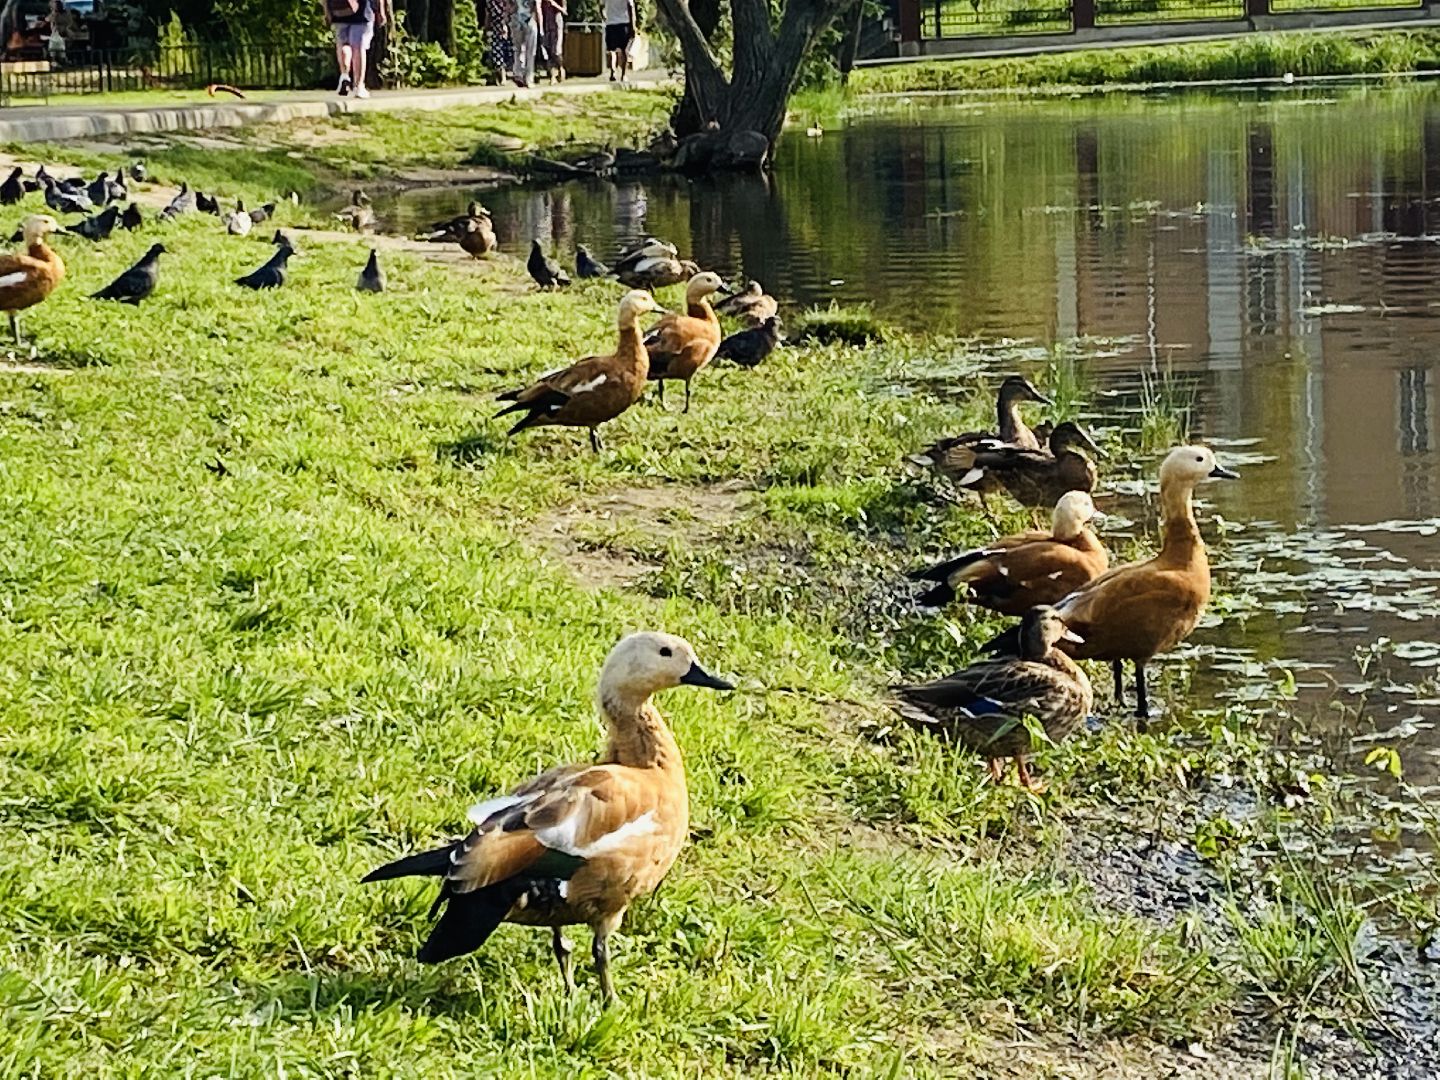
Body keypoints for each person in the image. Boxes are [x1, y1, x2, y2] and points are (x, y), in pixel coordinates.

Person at [323, 0, 389, 99]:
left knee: (343, 44)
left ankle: (344, 75)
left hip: (339, 11)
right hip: (362, 11)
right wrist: (381, 11)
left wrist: (326, 11)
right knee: (358, 47)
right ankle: (359, 86)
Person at [603, 0, 635, 83]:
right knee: (624, 50)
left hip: (610, 23)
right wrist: (633, 25)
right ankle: (623, 75)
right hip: (624, 23)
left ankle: (613, 71)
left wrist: (604, 17)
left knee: (612, 50)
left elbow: (601, 6)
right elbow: (630, 6)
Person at [484, 0, 514, 85]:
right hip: (495, 29)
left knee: (506, 51)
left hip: (507, 27)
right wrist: (486, 28)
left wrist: (505, 25)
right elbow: (488, 15)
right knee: (497, 52)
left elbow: (509, 11)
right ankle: (501, 76)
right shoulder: (490, 2)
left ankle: (503, 75)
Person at [510, 0, 538, 88]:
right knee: (519, 49)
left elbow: (536, 5)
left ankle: (525, 76)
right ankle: (520, 75)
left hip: (528, 20)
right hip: (519, 19)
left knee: (528, 51)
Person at [538, 0, 565, 84]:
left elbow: (564, 11)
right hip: (547, 24)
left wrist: (555, 5)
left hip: (557, 22)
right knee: (548, 51)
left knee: (556, 51)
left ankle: (560, 67)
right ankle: (553, 76)